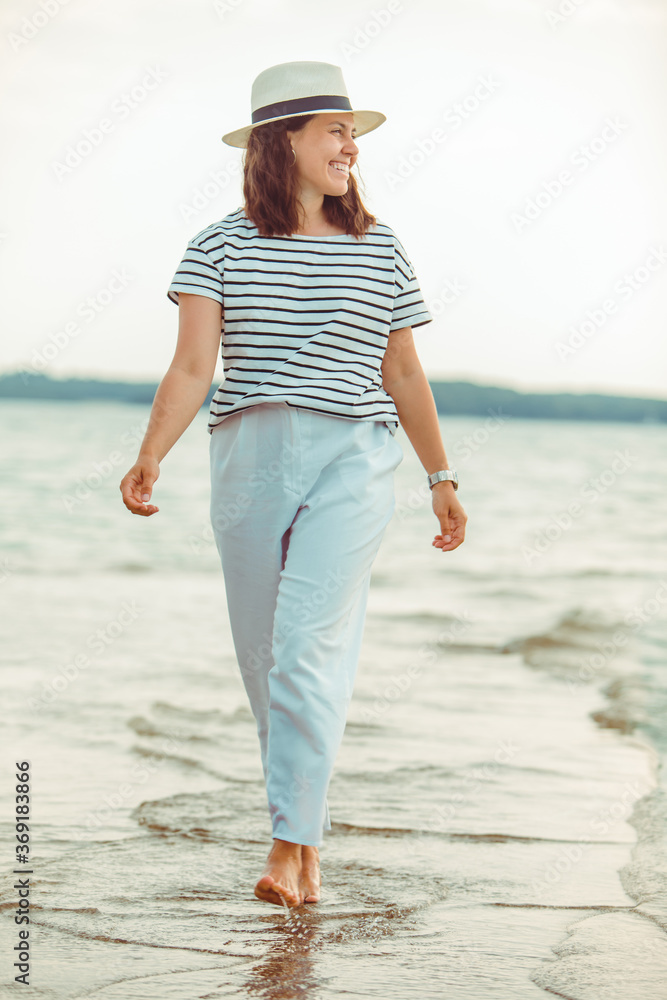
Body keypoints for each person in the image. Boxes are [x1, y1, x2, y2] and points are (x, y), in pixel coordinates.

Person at [120, 60, 467, 909]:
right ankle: (304, 848)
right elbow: (194, 365)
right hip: (247, 455)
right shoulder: (218, 244)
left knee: (305, 650)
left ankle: (286, 847)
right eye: (336, 131)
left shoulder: (379, 246)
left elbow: (404, 372)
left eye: (353, 134)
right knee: (266, 660)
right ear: (286, 143)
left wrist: (440, 476)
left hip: (354, 454)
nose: (351, 147)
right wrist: (150, 452)